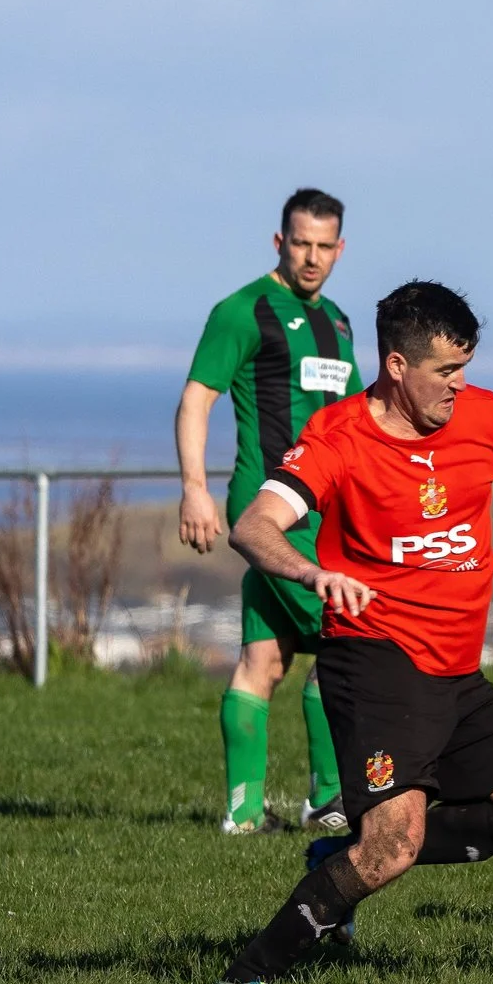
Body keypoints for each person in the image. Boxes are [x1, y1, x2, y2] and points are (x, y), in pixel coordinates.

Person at [213, 281, 493, 984]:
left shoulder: (487, 418)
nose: (461, 386)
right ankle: (245, 977)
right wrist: (312, 573)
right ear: (397, 366)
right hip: (375, 658)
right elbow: (253, 526)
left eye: (466, 368)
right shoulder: (339, 437)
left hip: (457, 671)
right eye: (445, 372)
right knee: (392, 847)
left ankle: (344, 852)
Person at [176, 189, 363, 834]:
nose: (311, 258)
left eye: (324, 247)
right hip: (274, 512)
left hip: (327, 512)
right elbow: (197, 397)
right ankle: (332, 798)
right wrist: (195, 487)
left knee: (266, 659)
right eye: (300, 243)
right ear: (278, 242)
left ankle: (244, 815)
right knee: (350, 639)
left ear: (340, 249)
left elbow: (356, 419)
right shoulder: (243, 311)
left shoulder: (337, 321)